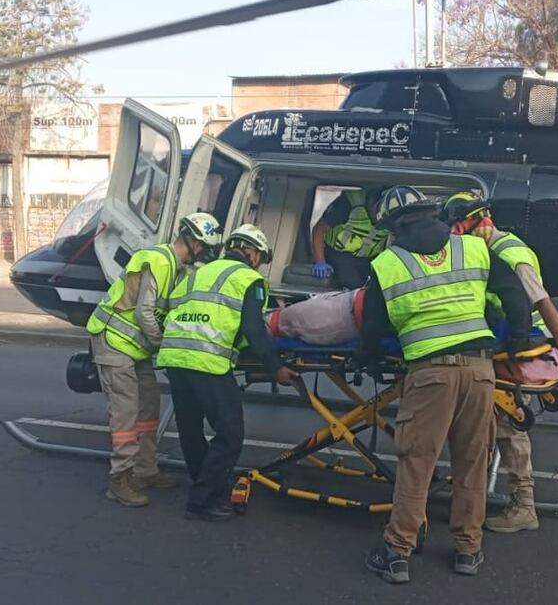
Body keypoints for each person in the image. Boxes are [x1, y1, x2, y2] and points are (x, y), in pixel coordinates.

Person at [359, 186, 532, 584]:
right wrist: (518, 343)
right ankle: (468, 550)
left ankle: (397, 552)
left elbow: (372, 327)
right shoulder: (472, 248)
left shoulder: (387, 263)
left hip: (430, 373)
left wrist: (366, 360)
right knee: (472, 461)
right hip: (480, 371)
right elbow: (515, 296)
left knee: (417, 462)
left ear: (392, 225)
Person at [443, 191, 558, 533]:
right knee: (485, 423)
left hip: (518, 347)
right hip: (503, 343)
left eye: (460, 228)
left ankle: (523, 506)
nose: (456, 236)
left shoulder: (511, 256)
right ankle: (472, 494)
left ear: (481, 221)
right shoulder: (488, 249)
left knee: (507, 425)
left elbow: (542, 302)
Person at [157, 224, 300, 522]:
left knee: (190, 429)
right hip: (208, 361)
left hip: (174, 357)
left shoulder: (195, 274)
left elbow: (176, 312)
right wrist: (275, 368)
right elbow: (252, 329)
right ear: (251, 252)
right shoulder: (250, 279)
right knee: (230, 434)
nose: (259, 262)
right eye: (260, 256)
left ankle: (203, 486)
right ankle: (203, 501)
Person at [86, 212, 224, 507]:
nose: (204, 257)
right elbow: (143, 313)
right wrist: (165, 346)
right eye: (205, 250)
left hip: (136, 347)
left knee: (149, 406)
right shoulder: (160, 260)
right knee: (126, 412)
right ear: (195, 243)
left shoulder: (177, 269)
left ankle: (144, 469)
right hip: (113, 341)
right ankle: (120, 480)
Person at [310, 188, 390, 289]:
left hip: (370, 259)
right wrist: (320, 260)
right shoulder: (348, 204)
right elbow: (319, 229)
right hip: (339, 255)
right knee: (354, 286)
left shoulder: (394, 208)